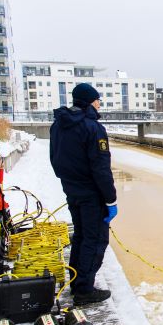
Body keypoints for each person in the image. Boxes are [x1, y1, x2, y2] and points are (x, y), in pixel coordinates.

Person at [50, 83, 118, 306]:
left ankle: (77, 281)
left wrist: (70, 182)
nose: (99, 104)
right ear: (90, 101)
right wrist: (110, 199)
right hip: (91, 194)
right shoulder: (93, 128)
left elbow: (55, 159)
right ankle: (84, 290)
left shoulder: (58, 126)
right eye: (97, 100)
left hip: (72, 189)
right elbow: (101, 168)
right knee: (95, 239)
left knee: (80, 236)